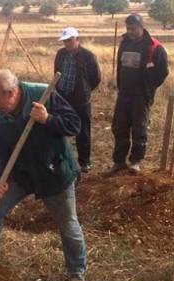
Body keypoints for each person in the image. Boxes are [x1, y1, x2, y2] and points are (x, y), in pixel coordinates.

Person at [0, 69, 88, 281]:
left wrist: (48, 119)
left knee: (67, 222)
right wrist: (0, 178)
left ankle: (77, 270)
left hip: (53, 170)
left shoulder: (43, 94)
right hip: (21, 174)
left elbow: (74, 125)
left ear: (12, 92)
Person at [108, 13, 169, 175]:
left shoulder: (154, 46)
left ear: (141, 27)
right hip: (124, 94)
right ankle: (119, 161)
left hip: (141, 96)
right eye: (128, 28)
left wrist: (148, 88)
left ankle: (136, 161)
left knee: (139, 128)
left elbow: (162, 71)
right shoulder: (124, 43)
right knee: (119, 127)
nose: (130, 31)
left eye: (133, 28)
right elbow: (120, 67)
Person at [54, 27, 101, 173]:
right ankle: (62, 159)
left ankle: (84, 162)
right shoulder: (60, 54)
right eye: (65, 41)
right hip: (62, 97)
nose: (67, 44)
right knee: (60, 127)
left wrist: (85, 90)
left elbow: (96, 78)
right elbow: (56, 73)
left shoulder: (88, 56)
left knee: (83, 130)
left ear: (77, 40)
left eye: (69, 40)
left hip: (80, 99)